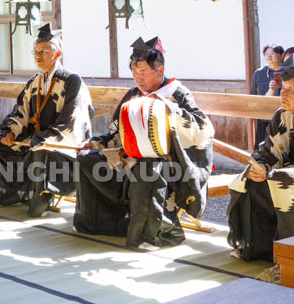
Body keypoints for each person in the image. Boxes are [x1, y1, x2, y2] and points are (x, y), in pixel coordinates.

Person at [74, 37, 215, 249]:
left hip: (168, 161)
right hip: (129, 155)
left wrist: (167, 109)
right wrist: (96, 144)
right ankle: (104, 224)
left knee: (147, 169)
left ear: (160, 70)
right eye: (134, 72)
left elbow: (203, 129)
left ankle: (153, 233)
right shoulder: (133, 94)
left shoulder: (177, 94)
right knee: (86, 159)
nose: (137, 77)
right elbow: (115, 131)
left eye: (142, 72)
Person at [0, 23, 93, 217]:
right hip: (34, 138)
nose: (38, 55)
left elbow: (73, 119)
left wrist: (44, 138)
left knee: (41, 151)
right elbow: (21, 111)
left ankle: (40, 205)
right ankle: (5, 196)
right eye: (36, 51)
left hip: (61, 143)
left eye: (44, 51)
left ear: (57, 54)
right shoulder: (34, 82)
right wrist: (10, 131)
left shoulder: (72, 80)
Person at [228, 55, 294, 261]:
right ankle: (261, 249)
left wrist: (289, 176)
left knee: (286, 183)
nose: (282, 93)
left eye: (290, 89)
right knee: (251, 180)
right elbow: (267, 151)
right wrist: (261, 166)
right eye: (283, 87)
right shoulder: (283, 115)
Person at [250, 44, 285, 148]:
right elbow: (253, 95)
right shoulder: (259, 73)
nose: (269, 56)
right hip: (263, 116)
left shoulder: (288, 72)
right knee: (262, 147)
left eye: (272, 53)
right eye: (266, 54)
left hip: (284, 117)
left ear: (281, 55)